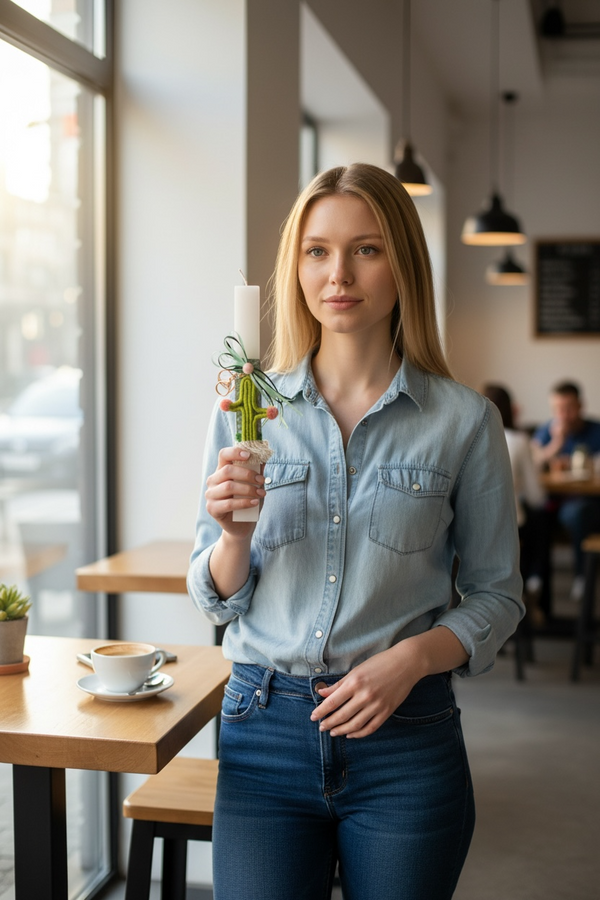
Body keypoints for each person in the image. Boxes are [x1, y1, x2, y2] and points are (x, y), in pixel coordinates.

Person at [188, 163, 523, 900]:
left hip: (407, 737)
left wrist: (409, 660)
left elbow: (498, 597)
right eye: (317, 251)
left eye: (366, 249)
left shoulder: (465, 421)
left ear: (403, 265)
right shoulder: (247, 409)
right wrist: (233, 538)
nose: (338, 274)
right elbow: (213, 597)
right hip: (263, 730)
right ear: (296, 266)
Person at [481, 383, 547, 621]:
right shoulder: (519, 440)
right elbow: (536, 495)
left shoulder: (462, 436)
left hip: (468, 529)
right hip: (508, 528)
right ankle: (533, 583)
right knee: (539, 521)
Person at [532, 381, 600, 597]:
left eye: (568, 408)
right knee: (535, 513)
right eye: (557, 409)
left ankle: (582, 577)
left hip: (587, 501)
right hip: (554, 500)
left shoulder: (596, 430)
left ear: (580, 406)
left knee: (577, 513)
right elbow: (532, 463)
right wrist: (556, 444)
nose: (563, 415)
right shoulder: (548, 430)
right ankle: (535, 579)